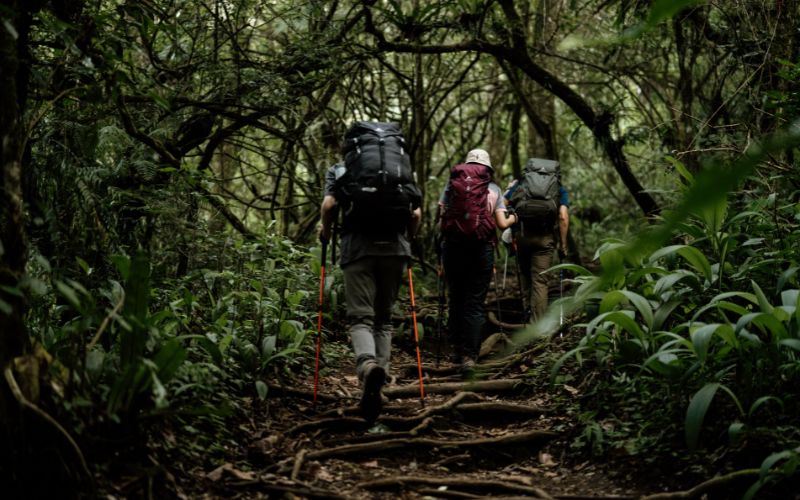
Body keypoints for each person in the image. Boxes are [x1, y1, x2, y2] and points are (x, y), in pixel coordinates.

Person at [319, 163, 421, 422]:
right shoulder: (400, 170)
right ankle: (380, 383)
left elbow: (329, 206)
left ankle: (367, 366)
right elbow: (416, 214)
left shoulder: (341, 169)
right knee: (383, 320)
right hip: (395, 251)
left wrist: (327, 233)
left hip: (357, 250)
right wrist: (409, 239)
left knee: (360, 319)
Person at [438, 149, 517, 373]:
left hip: (453, 248)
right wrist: (515, 217)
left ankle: (455, 350)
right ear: (488, 169)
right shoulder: (493, 189)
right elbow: (502, 224)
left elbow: (442, 214)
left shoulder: (452, 185)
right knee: (475, 302)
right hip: (481, 249)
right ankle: (470, 357)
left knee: (456, 297)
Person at [504, 178, 570, 323]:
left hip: (522, 237)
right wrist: (563, 244)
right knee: (540, 281)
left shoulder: (520, 184)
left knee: (525, 277)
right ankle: (536, 327)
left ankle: (527, 316)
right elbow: (563, 217)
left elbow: (503, 205)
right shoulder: (558, 188)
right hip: (544, 240)